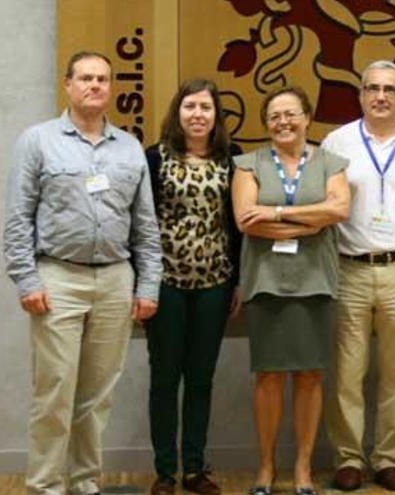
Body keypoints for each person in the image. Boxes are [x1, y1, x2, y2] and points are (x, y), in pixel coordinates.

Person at [3, 51, 161, 495]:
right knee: (54, 392)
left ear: (111, 88)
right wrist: (26, 279)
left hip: (115, 281)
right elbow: (18, 218)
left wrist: (147, 284)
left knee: (96, 397)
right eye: (86, 78)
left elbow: (145, 225)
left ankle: (85, 482)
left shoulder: (129, 148)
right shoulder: (37, 141)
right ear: (68, 85)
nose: (95, 85)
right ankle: (46, 486)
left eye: (103, 79)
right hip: (58, 278)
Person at [231, 86, 350, 495]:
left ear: (307, 117)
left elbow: (340, 209)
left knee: (311, 376)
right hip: (265, 283)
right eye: (274, 116)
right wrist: (311, 223)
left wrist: (280, 212)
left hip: (316, 281)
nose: (283, 122)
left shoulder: (331, 162)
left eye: (290, 114)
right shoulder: (248, 164)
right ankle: (265, 468)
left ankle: (302, 468)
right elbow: (247, 220)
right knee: (267, 376)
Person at [322, 60, 395, 492]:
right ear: (361, 95)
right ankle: (348, 458)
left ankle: (389, 458)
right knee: (348, 371)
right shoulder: (338, 140)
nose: (381, 96)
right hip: (350, 267)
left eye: (390, 89)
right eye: (372, 88)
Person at [143, 79, 243, 495]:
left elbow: (238, 226)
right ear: (177, 112)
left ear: (216, 115)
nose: (198, 114)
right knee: (165, 378)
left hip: (214, 284)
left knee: (201, 379)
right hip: (165, 283)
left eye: (206, 107)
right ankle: (166, 472)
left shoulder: (232, 159)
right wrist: (142, 284)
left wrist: (237, 280)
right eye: (190, 106)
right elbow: (141, 224)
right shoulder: (153, 157)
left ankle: (195, 469)